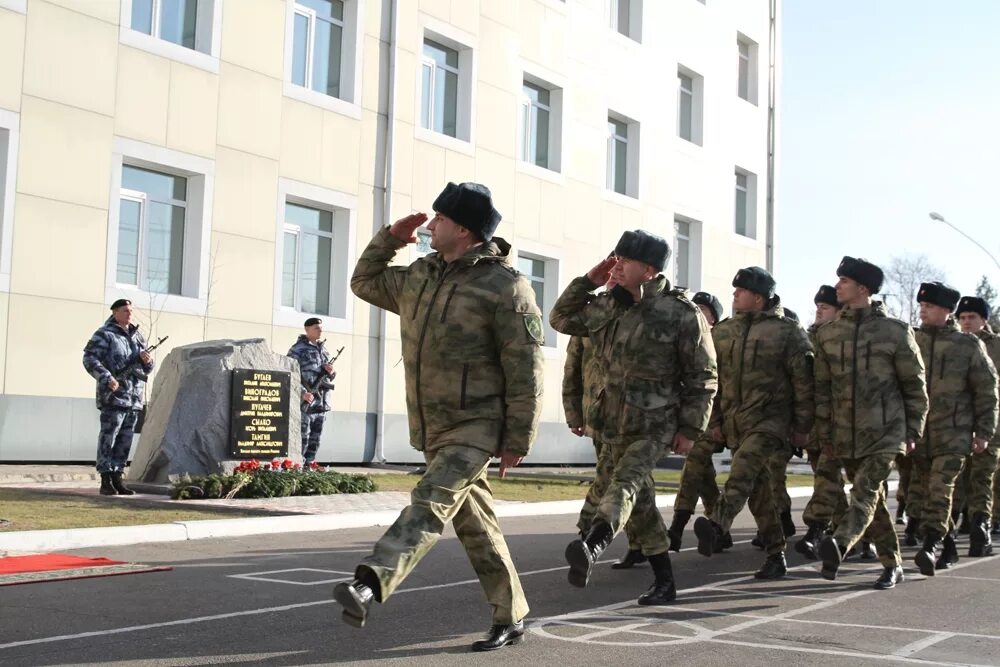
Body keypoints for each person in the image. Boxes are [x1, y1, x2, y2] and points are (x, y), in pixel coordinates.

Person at [334, 182, 544, 652]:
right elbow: (364, 281)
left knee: (429, 503)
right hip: (432, 424)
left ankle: (369, 582)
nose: (429, 226)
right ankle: (511, 615)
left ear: (464, 230)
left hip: (477, 425)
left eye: (439, 221)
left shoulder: (504, 286)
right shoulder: (421, 276)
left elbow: (526, 367)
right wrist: (390, 236)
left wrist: (517, 438)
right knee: (475, 523)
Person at [550, 230, 718, 606]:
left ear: (649, 269)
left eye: (626, 260)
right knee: (640, 504)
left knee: (624, 485)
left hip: (653, 424)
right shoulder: (609, 303)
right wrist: (590, 281)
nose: (618, 264)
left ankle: (593, 544)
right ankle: (664, 581)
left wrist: (691, 428)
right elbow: (560, 320)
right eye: (616, 257)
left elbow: (703, 376)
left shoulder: (681, 313)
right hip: (610, 423)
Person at [813, 257, 928, 590]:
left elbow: (914, 387)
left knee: (863, 493)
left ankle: (840, 543)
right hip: (844, 434)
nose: (838, 286)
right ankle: (893, 564)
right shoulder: (828, 334)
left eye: (844, 281)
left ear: (862, 289)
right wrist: (825, 433)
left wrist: (912, 431)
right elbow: (822, 389)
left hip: (885, 431)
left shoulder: (894, 331)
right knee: (873, 503)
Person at [692, 267, 814, 581]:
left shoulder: (788, 332)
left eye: (740, 291)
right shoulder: (723, 332)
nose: (734, 296)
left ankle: (718, 522)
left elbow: (804, 384)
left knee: (742, 469)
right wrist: (715, 421)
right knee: (759, 493)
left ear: (757, 297)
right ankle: (776, 554)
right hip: (736, 423)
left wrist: (802, 427)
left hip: (771, 422)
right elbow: (713, 380)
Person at [907, 285, 997, 573]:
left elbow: (987, 390)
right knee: (923, 491)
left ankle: (930, 544)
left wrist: (984, 431)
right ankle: (947, 544)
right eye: (921, 306)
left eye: (929, 306)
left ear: (946, 312)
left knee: (941, 489)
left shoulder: (967, 345)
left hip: (954, 434)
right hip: (920, 434)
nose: (923, 310)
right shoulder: (911, 341)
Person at [562, 285, 649, 569]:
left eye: (623, 266)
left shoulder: (643, 313)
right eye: (613, 268)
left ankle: (589, 538)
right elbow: (572, 367)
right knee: (620, 481)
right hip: (597, 414)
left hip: (633, 418)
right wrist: (574, 413)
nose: (616, 275)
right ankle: (637, 544)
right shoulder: (592, 313)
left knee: (614, 479)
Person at [667, 291, 728, 552]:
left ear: (713, 319)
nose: (696, 313)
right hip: (689, 419)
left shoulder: (721, 345)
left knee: (693, 467)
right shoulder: (685, 340)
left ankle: (676, 529)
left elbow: (722, 388)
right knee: (704, 476)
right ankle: (721, 531)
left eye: (702, 309)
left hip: (712, 422)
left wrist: (719, 423)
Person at [797, 285, 851, 559]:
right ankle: (846, 537)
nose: (819, 310)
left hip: (843, 423)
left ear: (840, 312)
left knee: (832, 480)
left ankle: (819, 533)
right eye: (817, 306)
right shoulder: (808, 338)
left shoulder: (845, 341)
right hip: (816, 424)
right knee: (828, 481)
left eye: (826, 307)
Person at [82, 299, 154, 496]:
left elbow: (147, 366)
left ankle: (118, 476)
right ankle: (105, 478)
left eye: (131, 310)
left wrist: (148, 362)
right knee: (109, 436)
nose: (129, 313)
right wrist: (107, 378)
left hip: (133, 397)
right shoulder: (105, 334)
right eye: (125, 310)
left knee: (125, 439)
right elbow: (89, 358)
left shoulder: (137, 336)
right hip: (113, 396)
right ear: (114, 313)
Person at [952, 296, 1000, 557]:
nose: (966, 322)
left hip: (989, 426)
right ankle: (959, 525)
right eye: (962, 317)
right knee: (958, 479)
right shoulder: (953, 345)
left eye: (972, 317)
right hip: (956, 425)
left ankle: (980, 525)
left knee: (982, 479)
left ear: (984, 320)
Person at [287, 317, 336, 466]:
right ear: (307, 329)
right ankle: (298, 467)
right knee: (303, 438)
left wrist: (332, 371)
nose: (320, 330)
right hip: (306, 402)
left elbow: (329, 377)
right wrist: (302, 393)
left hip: (321, 403)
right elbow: (290, 373)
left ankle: (309, 466)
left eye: (321, 327)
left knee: (316, 439)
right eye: (316, 327)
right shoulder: (297, 350)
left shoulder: (324, 350)